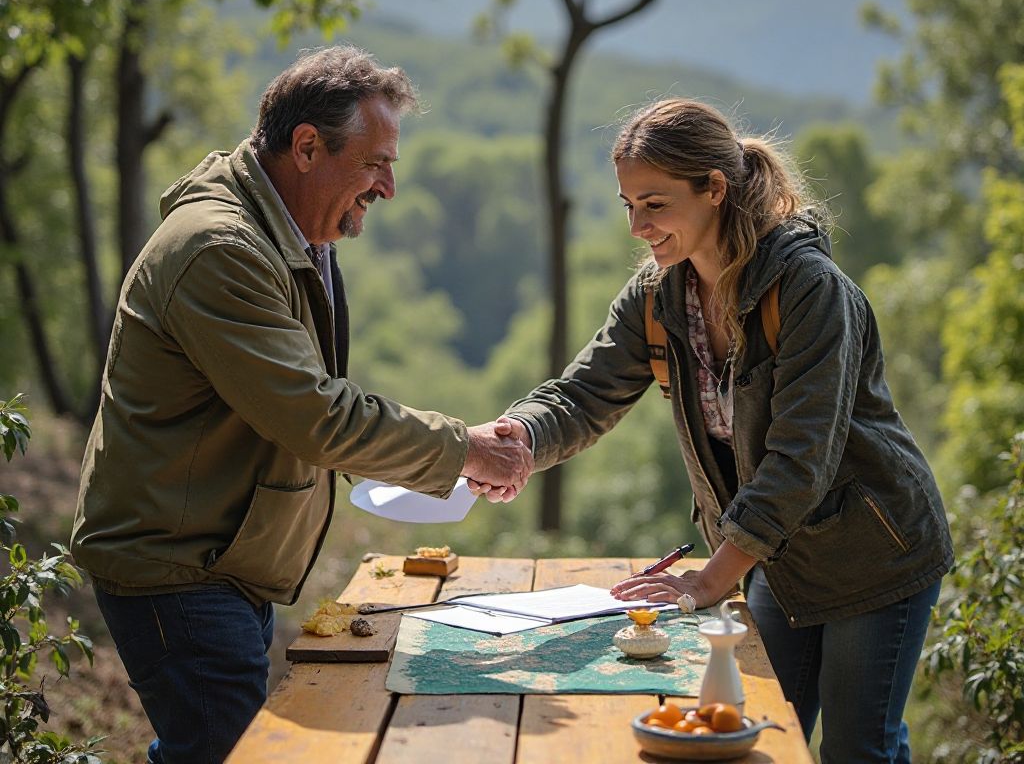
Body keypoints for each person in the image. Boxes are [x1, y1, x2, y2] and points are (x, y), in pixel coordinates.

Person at [71, 45, 532, 764]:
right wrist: (463, 448)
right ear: (308, 147)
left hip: (219, 563)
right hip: (177, 571)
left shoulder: (290, 235)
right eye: (375, 164)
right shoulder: (220, 251)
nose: (387, 189)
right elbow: (315, 415)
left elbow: (305, 409)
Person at [475, 98, 952, 763]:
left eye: (656, 204)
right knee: (745, 735)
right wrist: (515, 438)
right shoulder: (656, 295)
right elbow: (585, 395)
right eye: (628, 206)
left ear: (715, 190)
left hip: (873, 551)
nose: (638, 227)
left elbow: (797, 462)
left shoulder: (812, 290)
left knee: (858, 750)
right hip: (775, 561)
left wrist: (708, 579)